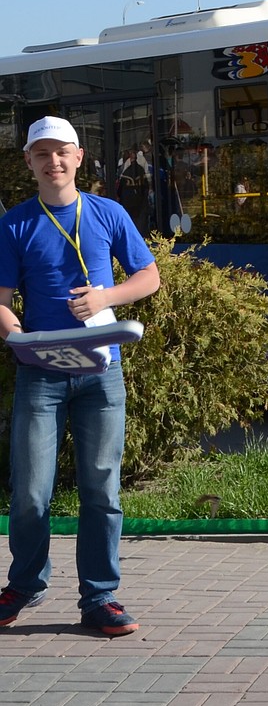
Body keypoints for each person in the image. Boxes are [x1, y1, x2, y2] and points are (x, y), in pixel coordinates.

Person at [0, 116, 160, 636]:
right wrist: (13, 330)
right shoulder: (15, 223)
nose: (53, 161)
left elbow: (148, 276)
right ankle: (26, 584)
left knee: (101, 489)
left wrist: (104, 298)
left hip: (101, 371)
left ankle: (100, 599)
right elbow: (0, 302)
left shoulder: (107, 213)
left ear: (79, 157)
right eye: (42, 154)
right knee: (29, 490)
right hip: (40, 373)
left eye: (62, 152)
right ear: (29, 162)